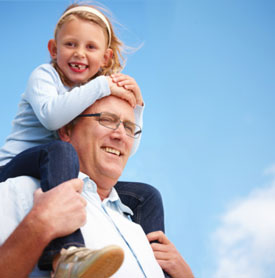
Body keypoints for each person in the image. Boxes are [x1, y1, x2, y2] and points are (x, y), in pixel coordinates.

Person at [0, 3, 164, 276]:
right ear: (53, 49)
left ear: (105, 57)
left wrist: (138, 107)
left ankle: (159, 268)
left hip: (59, 167)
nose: (79, 53)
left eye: (90, 47)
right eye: (71, 44)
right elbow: (52, 118)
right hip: (14, 166)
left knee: (146, 195)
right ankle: (67, 252)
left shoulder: (87, 91)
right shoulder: (45, 76)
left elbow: (126, 146)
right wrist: (101, 85)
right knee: (61, 152)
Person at [0, 95, 194, 278]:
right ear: (66, 130)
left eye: (129, 127)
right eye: (107, 119)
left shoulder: (137, 228)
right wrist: (38, 225)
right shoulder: (26, 191)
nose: (120, 135)